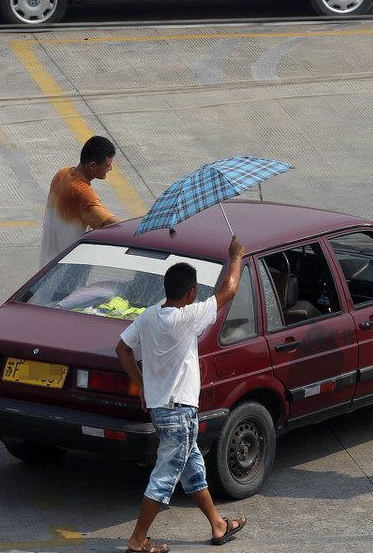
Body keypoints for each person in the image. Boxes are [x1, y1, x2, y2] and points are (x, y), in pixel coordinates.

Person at [116, 236, 248, 553]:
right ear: (190, 293)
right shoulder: (186, 317)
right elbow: (228, 291)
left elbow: (122, 349)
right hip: (179, 413)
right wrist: (236, 257)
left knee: (192, 469)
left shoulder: (148, 316)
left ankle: (217, 524)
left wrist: (142, 383)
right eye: (195, 292)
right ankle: (138, 540)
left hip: (161, 410)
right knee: (164, 478)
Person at [39, 135, 119, 267]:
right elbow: (110, 225)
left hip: (47, 263)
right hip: (67, 265)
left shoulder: (62, 174)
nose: (110, 169)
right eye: (108, 165)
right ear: (92, 165)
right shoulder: (82, 192)